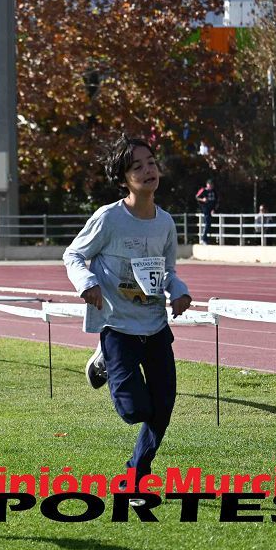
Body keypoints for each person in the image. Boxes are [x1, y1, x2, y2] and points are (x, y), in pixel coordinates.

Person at [64, 135, 192, 502]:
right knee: (136, 411)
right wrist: (87, 283)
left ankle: (134, 478)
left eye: (151, 162)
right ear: (123, 178)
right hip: (117, 326)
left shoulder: (165, 222)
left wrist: (179, 291)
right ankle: (104, 359)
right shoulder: (109, 218)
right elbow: (73, 255)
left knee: (162, 408)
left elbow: (167, 270)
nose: (148, 170)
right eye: (138, 166)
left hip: (154, 325)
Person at [194, 179, 218, 245]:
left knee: (209, 224)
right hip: (205, 208)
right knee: (207, 223)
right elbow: (196, 197)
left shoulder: (214, 191)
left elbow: (216, 201)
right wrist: (202, 199)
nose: (210, 186)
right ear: (207, 184)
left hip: (211, 209)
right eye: (209, 184)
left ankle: (206, 239)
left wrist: (214, 209)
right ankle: (204, 239)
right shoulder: (203, 190)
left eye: (211, 185)